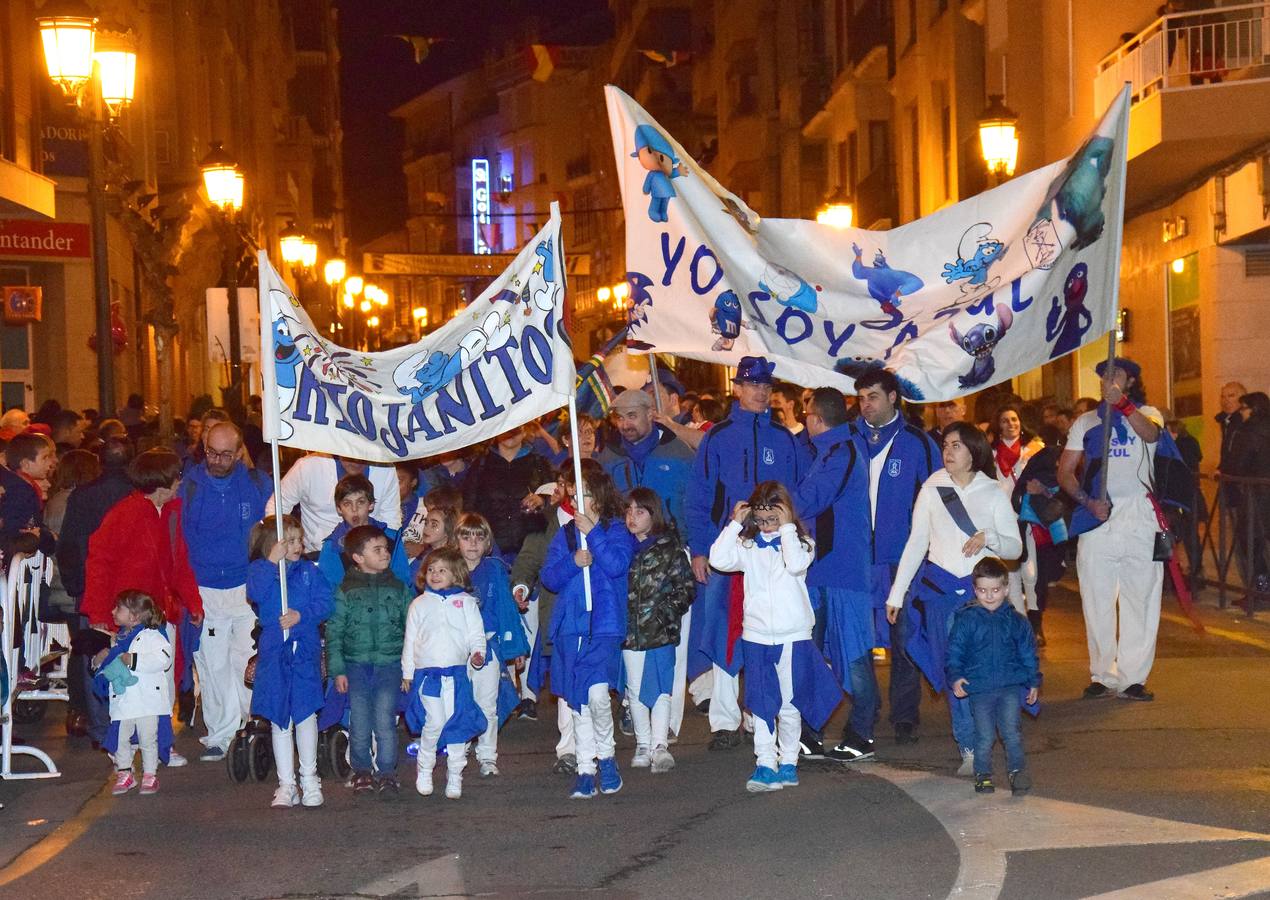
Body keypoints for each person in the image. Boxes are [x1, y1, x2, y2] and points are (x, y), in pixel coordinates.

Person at [684, 356, 809, 750]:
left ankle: (761, 714)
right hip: (731, 552)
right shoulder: (718, 437)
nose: (760, 392)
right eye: (753, 385)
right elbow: (699, 497)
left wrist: (797, 541)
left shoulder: (785, 438)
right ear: (737, 388)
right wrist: (701, 550)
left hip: (773, 553)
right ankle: (723, 720)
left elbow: (798, 495)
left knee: (770, 633)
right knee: (726, 635)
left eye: (766, 386)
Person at [886, 422, 1022, 775]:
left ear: (974, 450)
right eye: (945, 444)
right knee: (955, 674)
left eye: (956, 445)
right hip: (941, 595)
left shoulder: (993, 491)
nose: (948, 451)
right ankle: (970, 749)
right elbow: (917, 542)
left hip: (983, 599)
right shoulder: (932, 487)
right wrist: (897, 593)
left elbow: (1015, 548)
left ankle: (986, 739)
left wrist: (988, 537)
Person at [709, 481, 837, 793]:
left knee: (790, 703)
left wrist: (788, 528)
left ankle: (789, 761)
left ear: (786, 515)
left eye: (773, 520)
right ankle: (765, 762)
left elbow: (795, 566)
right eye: (761, 520)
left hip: (793, 635)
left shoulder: (802, 543)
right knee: (760, 701)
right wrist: (734, 524)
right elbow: (717, 559)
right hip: (757, 636)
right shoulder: (747, 545)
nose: (767, 526)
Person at [82, 448, 203, 771]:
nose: (180, 481)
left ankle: (161, 745)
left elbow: (180, 562)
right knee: (126, 690)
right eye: (176, 476)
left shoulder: (171, 511)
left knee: (163, 685)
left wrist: (192, 601)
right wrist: (99, 616)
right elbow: (99, 564)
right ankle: (121, 746)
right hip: (131, 619)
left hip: (161, 614)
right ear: (162, 481)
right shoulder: (125, 514)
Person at [1058, 357, 1164, 702]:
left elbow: (1152, 435)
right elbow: (1065, 471)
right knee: (1097, 599)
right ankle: (1103, 675)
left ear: (1130, 381)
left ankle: (1134, 677)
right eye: (1104, 374)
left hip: (1139, 516)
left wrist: (1123, 405)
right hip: (1098, 519)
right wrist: (1087, 502)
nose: (1109, 379)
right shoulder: (1086, 422)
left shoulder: (1147, 413)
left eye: (1116, 374)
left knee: (1141, 598)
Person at [600, 387, 698, 738]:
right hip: (625, 555)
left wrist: (694, 550)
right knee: (629, 634)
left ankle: (667, 719)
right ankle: (632, 704)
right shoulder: (608, 457)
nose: (624, 424)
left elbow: (694, 505)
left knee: (672, 636)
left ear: (649, 413)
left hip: (671, 553)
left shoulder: (680, 453)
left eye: (631, 415)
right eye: (619, 417)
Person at [851, 369, 940, 745]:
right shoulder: (847, 439)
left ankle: (904, 714)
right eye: (860, 397)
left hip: (902, 560)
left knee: (904, 639)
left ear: (893, 397)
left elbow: (937, 497)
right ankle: (864, 710)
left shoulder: (917, 442)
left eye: (872, 396)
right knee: (858, 643)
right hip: (855, 559)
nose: (865, 404)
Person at [541, 459, 635, 799]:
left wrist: (594, 534)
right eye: (575, 493)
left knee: (596, 696)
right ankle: (585, 768)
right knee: (577, 700)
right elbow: (549, 577)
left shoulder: (614, 530)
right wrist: (572, 562)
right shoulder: (566, 534)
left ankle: (606, 757)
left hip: (604, 625)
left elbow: (617, 565)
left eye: (587, 494)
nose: (580, 500)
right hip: (572, 626)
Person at [180, 422, 273, 762]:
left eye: (225, 454)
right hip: (205, 587)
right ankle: (220, 733)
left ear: (239, 453)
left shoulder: (258, 484)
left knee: (244, 660)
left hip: (246, 586)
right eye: (211, 453)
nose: (217, 461)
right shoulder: (188, 486)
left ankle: (252, 727)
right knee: (211, 662)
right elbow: (180, 541)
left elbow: (271, 532)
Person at [791, 388, 875, 761]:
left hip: (842, 573)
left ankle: (861, 734)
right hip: (828, 571)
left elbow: (809, 499)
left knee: (854, 657)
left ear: (816, 418)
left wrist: (768, 505)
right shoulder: (834, 451)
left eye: (806, 413)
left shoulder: (840, 453)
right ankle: (811, 733)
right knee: (814, 653)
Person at [246, 516, 332, 808]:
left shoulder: (309, 571)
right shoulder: (261, 570)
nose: (298, 545)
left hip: (303, 649)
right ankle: (286, 783)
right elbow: (255, 594)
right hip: (274, 651)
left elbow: (325, 602)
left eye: (299, 539)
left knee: (306, 714)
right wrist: (272, 563)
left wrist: (301, 615)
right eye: (290, 540)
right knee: (280, 719)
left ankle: (310, 778)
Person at [57, 436, 136, 746]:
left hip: (94, 587)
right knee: (133, 655)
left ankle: (102, 727)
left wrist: (76, 584)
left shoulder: (83, 496)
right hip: (131, 587)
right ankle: (130, 723)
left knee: (96, 657)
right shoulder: (135, 495)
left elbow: (69, 545)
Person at [326, 525, 414, 797]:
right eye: (377, 550)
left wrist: (408, 667)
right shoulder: (346, 590)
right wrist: (337, 669)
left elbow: (411, 629)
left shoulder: (398, 588)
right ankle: (362, 770)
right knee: (360, 720)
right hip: (356, 665)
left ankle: (387, 771)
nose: (385, 553)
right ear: (358, 558)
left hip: (389, 664)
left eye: (385, 548)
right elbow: (334, 631)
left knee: (386, 719)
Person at [946, 557, 1040, 795]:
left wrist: (1033, 681)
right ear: (975, 589)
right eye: (983, 590)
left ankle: (1017, 773)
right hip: (980, 689)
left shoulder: (1016, 622)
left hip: (1009, 687)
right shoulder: (966, 620)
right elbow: (954, 652)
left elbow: (1028, 653)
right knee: (985, 735)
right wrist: (956, 676)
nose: (989, 596)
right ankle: (983, 774)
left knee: (1012, 733)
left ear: (1006, 589)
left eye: (996, 590)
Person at [402, 547, 487, 800]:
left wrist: (477, 653)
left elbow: (476, 634)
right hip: (428, 676)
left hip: (457, 675)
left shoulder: (466, 603)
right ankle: (425, 767)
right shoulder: (419, 604)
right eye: (431, 570)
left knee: (457, 724)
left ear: (456, 574)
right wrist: (407, 673)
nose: (435, 575)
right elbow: (410, 640)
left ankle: (455, 774)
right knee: (435, 721)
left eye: (442, 570)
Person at [622, 487, 695, 773]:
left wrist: (665, 613)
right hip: (630, 633)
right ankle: (642, 743)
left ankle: (659, 744)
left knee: (662, 689)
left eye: (639, 511)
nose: (632, 517)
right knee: (636, 689)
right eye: (628, 511)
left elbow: (686, 589)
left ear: (653, 514)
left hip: (660, 631)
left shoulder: (670, 548)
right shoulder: (623, 548)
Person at [456, 513, 531, 777]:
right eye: (466, 536)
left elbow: (506, 611)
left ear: (488, 541)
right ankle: (459, 748)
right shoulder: (448, 568)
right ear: (457, 540)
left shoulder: (495, 569)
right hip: (455, 648)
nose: (473, 543)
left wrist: (514, 648)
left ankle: (487, 755)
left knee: (487, 702)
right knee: (458, 701)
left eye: (479, 536)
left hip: (488, 645)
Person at [92, 590, 174, 796]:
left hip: (147, 701)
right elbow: (109, 668)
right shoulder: (118, 640)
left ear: (134, 616)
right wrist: (98, 661)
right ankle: (125, 772)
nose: (112, 611)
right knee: (120, 738)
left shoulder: (153, 636)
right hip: (124, 701)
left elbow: (164, 658)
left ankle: (150, 774)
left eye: (118, 608)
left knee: (148, 739)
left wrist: (134, 660)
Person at [45, 449, 101, 737]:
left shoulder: (56, 501)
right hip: (67, 591)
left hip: (57, 588)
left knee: (78, 649)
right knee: (82, 650)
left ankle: (78, 709)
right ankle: (81, 709)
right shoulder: (76, 502)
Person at [266, 453, 402, 555]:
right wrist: (287, 546)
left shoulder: (385, 469)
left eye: (362, 454)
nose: (356, 461)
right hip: (317, 553)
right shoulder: (309, 466)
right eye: (350, 454)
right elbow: (277, 505)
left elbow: (391, 520)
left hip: (369, 558)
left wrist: (385, 554)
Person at [461, 426, 550, 562]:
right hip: (490, 549)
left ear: (525, 431)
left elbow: (555, 497)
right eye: (507, 427)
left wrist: (542, 500)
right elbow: (468, 506)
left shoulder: (539, 463)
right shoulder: (481, 465)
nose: (511, 433)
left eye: (516, 428)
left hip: (531, 549)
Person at [992, 405, 1045, 616]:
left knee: (1031, 573)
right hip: (1003, 521)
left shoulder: (1032, 451)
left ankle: (1035, 617)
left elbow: (1051, 481)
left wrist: (1041, 488)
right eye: (1005, 420)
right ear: (999, 426)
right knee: (1010, 572)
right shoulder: (992, 455)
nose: (1010, 424)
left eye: (1014, 419)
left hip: (1027, 518)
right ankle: (1019, 620)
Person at [316, 474, 412, 589]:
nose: (354, 509)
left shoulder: (391, 538)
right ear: (339, 509)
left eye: (360, 502)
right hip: (349, 604)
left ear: (371, 505)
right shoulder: (333, 546)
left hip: (389, 602)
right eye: (347, 504)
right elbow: (328, 591)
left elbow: (404, 581)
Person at [1225, 392, 1270, 595]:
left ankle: (1262, 589)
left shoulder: (1248, 431)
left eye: (1243, 408)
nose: (1240, 412)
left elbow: (1238, 464)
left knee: (1252, 543)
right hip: (1261, 490)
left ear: (1253, 409)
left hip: (1256, 495)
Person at [0, 432, 58, 561]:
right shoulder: (21, 489)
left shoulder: (19, 485)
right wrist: (48, 538)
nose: (50, 463)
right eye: (45, 457)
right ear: (26, 464)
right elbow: (25, 527)